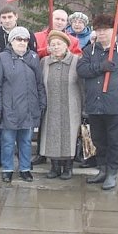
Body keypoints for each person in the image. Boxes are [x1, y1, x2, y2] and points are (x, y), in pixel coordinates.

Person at [77, 14, 118, 190]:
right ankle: (103, 169)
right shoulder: (90, 51)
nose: (102, 33)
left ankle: (113, 172)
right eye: (98, 30)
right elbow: (81, 70)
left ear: (113, 30)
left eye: (105, 30)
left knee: (115, 140)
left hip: (116, 105)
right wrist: (100, 67)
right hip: (95, 105)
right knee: (99, 139)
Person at [0, 26, 46, 183]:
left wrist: (42, 104)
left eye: (25, 39)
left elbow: (39, 84)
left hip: (29, 108)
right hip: (9, 109)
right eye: (18, 39)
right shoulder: (1, 58)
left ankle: (25, 168)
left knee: (26, 141)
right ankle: (7, 169)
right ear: (11, 41)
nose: (22, 42)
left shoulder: (34, 57)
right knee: (7, 141)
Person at [0, 5, 37, 170]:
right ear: (0, 19)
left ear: (16, 17)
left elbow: (32, 59)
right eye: (4, 17)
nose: (7, 20)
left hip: (24, 91)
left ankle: (24, 162)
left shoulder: (28, 35)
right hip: (1, 88)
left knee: (23, 134)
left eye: (9, 17)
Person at [31, 9, 82, 165]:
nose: (59, 22)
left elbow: (78, 56)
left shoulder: (73, 40)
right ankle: (44, 155)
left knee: (68, 129)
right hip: (48, 85)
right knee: (48, 127)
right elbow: (32, 55)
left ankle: (69, 162)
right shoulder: (39, 36)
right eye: (57, 19)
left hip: (67, 86)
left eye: (62, 19)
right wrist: (46, 50)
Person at [39, 30, 84, 180]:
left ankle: (68, 167)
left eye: (59, 44)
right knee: (51, 135)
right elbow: (39, 84)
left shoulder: (77, 61)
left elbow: (83, 86)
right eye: (52, 45)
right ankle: (55, 167)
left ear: (67, 46)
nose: (56, 47)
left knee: (69, 135)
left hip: (71, 106)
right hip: (50, 106)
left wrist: (85, 108)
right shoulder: (44, 62)